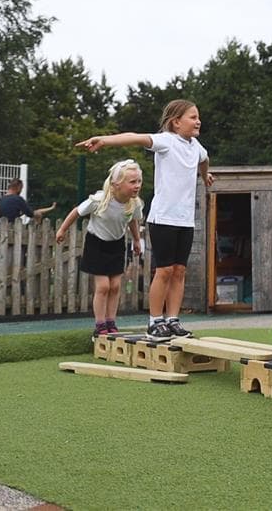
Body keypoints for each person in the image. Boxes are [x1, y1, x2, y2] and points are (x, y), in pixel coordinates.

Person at [77, 100, 214, 341]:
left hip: (185, 220)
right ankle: (155, 321)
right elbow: (135, 137)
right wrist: (104, 139)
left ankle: (172, 320)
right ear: (176, 122)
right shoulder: (166, 141)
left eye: (198, 116)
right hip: (163, 218)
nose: (198, 121)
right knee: (164, 270)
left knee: (180, 271)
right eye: (192, 117)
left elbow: (204, 159)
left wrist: (204, 176)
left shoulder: (196, 147)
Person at [54, 159, 144, 336]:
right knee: (103, 286)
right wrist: (62, 229)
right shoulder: (99, 200)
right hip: (97, 244)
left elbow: (132, 220)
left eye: (139, 181)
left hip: (117, 245)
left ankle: (111, 321)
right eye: (132, 182)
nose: (137, 186)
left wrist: (136, 240)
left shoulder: (134, 204)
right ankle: (100, 324)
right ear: (116, 184)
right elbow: (77, 212)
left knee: (116, 286)